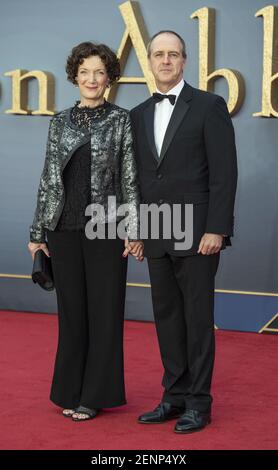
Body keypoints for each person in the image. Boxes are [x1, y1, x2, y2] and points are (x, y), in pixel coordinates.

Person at [28, 41, 143, 422]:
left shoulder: (121, 119)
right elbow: (48, 178)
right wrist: (38, 230)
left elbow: (129, 177)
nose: (92, 79)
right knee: (72, 314)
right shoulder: (59, 121)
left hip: (105, 227)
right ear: (74, 77)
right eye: (84, 72)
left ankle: (95, 395)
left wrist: (134, 227)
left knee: (105, 312)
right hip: (63, 228)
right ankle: (70, 390)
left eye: (99, 72)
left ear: (109, 77)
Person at [130, 31, 237, 433]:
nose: (165, 61)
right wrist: (136, 228)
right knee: (167, 318)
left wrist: (217, 229)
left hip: (198, 235)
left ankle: (199, 403)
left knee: (196, 318)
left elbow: (225, 174)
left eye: (173, 54)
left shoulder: (209, 105)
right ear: (151, 61)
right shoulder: (138, 113)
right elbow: (138, 179)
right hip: (157, 231)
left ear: (184, 60)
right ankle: (173, 397)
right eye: (159, 54)